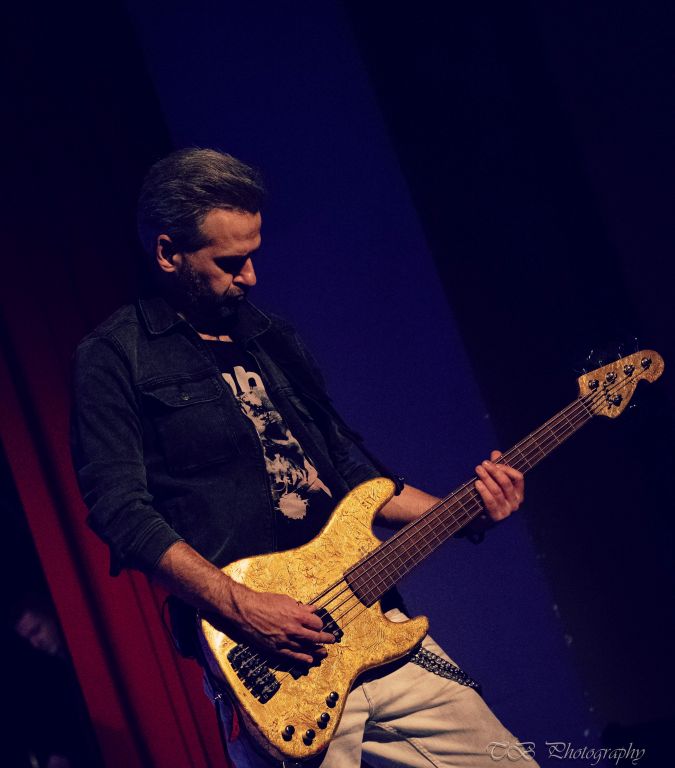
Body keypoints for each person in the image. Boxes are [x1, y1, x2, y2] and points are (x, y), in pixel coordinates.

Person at [70, 148, 535, 767]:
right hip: (275, 663)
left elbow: (352, 474)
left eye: (253, 255)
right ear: (166, 252)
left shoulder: (272, 338)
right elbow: (121, 512)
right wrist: (242, 607)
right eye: (229, 262)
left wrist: (464, 511)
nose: (250, 277)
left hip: (371, 621)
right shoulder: (114, 356)